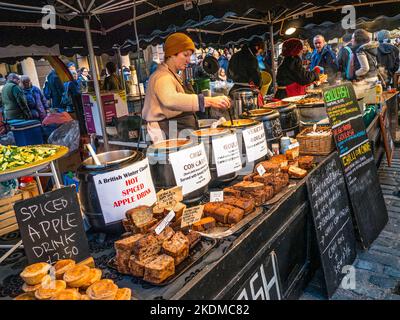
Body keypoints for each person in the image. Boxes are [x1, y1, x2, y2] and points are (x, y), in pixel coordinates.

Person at [142, 32, 231, 143]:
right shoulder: (162, 76)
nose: (188, 60)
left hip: (177, 131)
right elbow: (171, 100)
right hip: (168, 134)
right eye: (185, 55)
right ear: (172, 54)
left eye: (189, 56)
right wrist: (208, 101)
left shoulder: (171, 74)